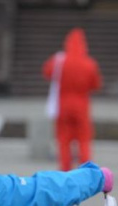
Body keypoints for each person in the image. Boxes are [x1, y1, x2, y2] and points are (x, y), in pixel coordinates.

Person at [42, 28, 102, 171]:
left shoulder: (59, 61)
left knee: (63, 138)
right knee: (84, 138)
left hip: (63, 105)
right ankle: (86, 169)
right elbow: (96, 84)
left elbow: (47, 72)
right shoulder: (89, 63)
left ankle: (65, 168)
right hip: (81, 104)